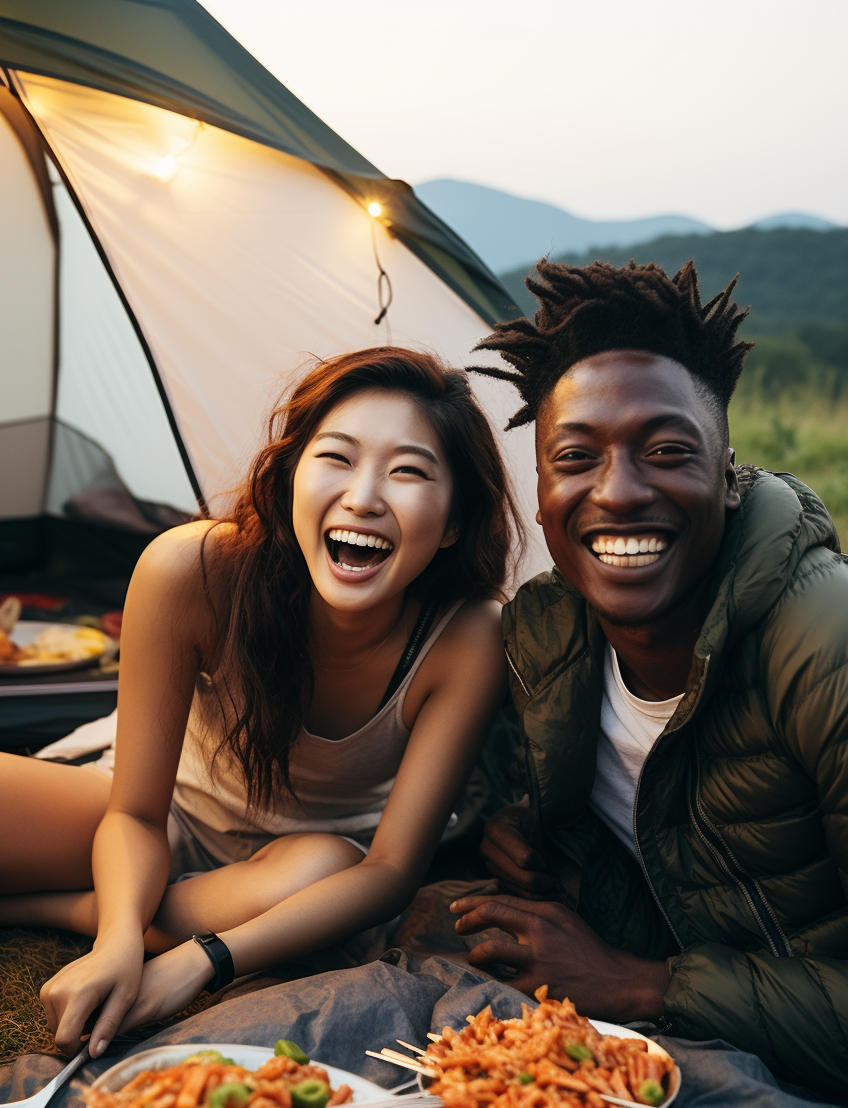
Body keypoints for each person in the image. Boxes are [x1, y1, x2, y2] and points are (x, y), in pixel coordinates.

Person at [451, 258, 848, 1102]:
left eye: (668, 451)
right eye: (576, 457)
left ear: (728, 474)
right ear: (539, 491)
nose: (621, 491)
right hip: (687, 1061)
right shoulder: (541, 635)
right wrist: (529, 836)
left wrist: (643, 985)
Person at [0, 346, 519, 1059]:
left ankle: (46, 906)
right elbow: (133, 812)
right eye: (336, 458)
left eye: (407, 472)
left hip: (294, 877)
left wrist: (200, 961)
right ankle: (108, 913)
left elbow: (390, 870)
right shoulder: (192, 570)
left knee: (322, 869)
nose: (364, 496)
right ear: (287, 479)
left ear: (455, 520)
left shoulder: (468, 637)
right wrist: (120, 938)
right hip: (150, 812)